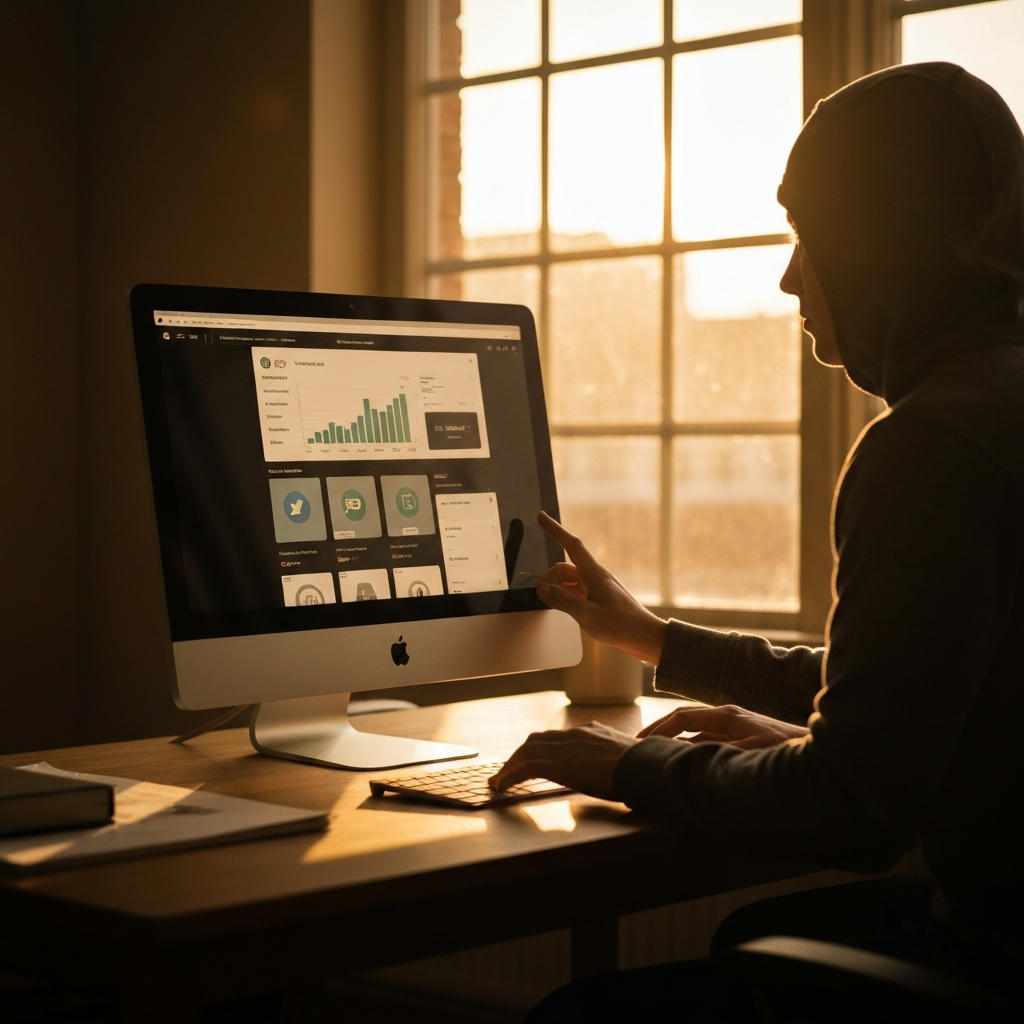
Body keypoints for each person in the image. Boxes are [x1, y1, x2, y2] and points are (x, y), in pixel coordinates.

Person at [491, 61, 1024, 1020]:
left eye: (807, 238)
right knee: (756, 943)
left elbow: (852, 809)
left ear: (879, 249)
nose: (787, 277)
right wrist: (656, 639)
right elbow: (933, 686)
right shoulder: (1000, 402)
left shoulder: (932, 447)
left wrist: (623, 764)